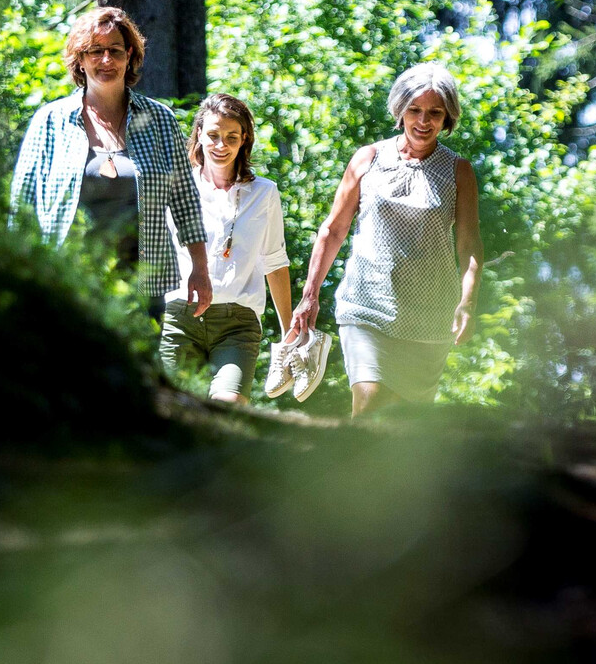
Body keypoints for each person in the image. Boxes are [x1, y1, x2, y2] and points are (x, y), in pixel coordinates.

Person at [286, 63, 483, 416]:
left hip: (430, 319)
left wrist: (467, 302)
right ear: (400, 110)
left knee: (407, 428)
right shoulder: (369, 158)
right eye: (415, 110)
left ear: (447, 117)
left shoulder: (459, 171)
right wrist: (309, 296)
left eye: (435, 113)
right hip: (366, 307)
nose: (424, 121)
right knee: (370, 404)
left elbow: (469, 246)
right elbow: (333, 230)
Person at [10, 6, 212, 320]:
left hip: (143, 287)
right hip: (67, 281)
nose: (107, 60)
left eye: (115, 51)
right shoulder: (50, 121)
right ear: (80, 58)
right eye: (96, 51)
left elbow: (186, 200)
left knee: (137, 369)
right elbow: (22, 204)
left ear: (129, 55)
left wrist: (200, 269)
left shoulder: (159, 120)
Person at [159, 94, 295, 403]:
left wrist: (289, 334)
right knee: (175, 414)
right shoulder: (176, 187)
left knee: (229, 408)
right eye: (213, 135)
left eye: (231, 137)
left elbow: (274, 261)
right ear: (199, 135)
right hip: (181, 315)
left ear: (244, 140)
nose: (221, 145)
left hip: (237, 323)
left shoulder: (264, 193)